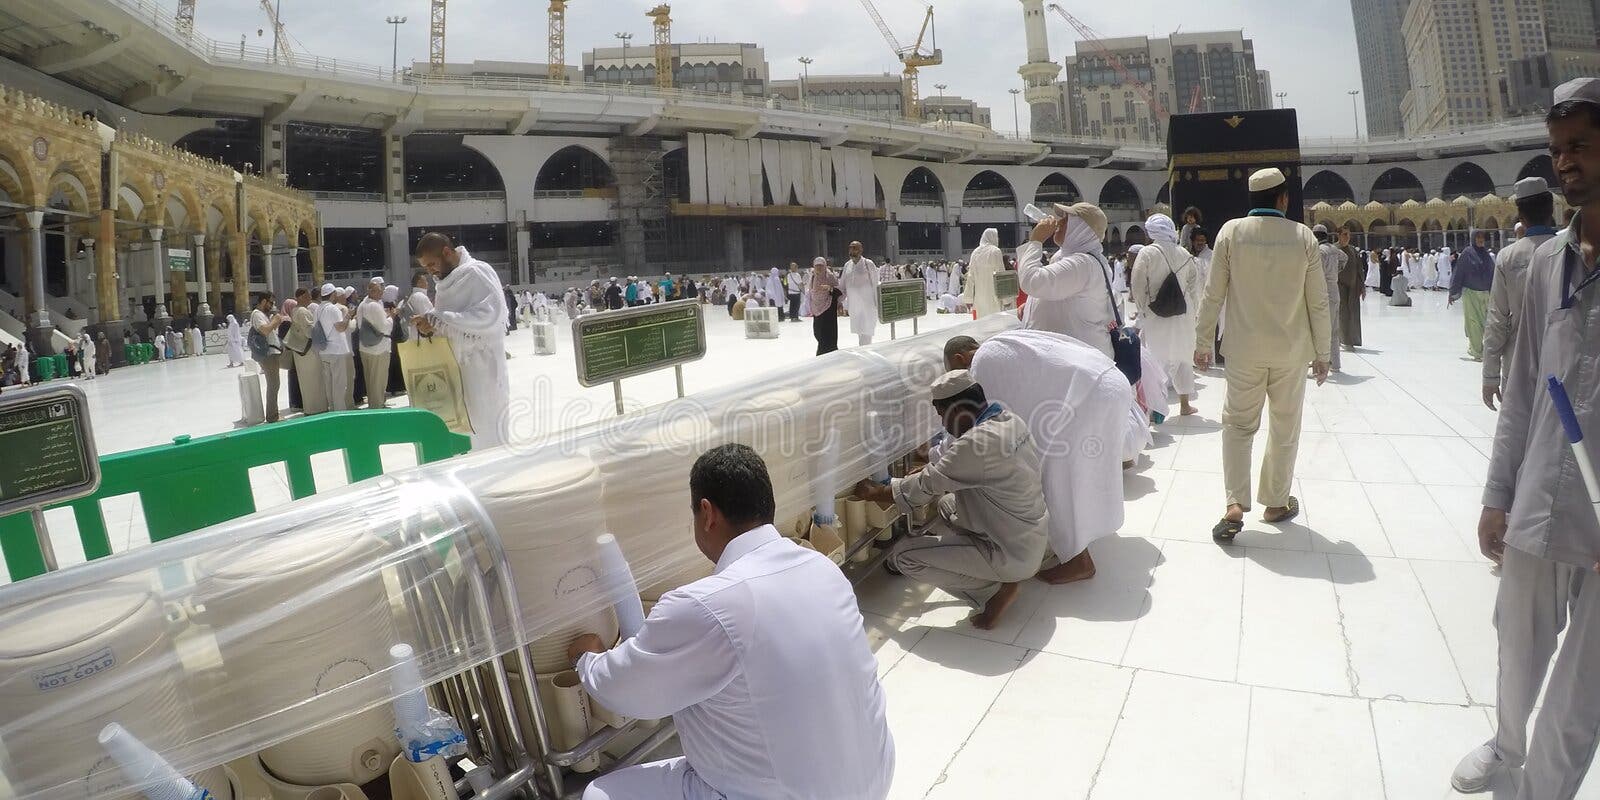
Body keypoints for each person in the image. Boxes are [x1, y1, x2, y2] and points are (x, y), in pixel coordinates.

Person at [570, 443, 894, 800]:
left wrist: (587, 660)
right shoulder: (823, 568)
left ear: (706, 513)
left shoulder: (706, 605)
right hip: (873, 782)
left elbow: (629, 692)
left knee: (600, 793)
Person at [1451, 78, 1600, 800]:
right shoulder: (1545, 263)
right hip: (1541, 494)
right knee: (1517, 644)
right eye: (1557, 150)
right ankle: (1505, 746)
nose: (1566, 163)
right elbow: (1523, 391)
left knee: (1582, 689)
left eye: (1579, 147)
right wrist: (1496, 492)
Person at [1194, 167, 1331, 541]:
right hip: (1290, 351)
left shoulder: (1231, 233)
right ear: (1283, 198)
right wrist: (1323, 353)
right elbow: (1318, 302)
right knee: (1285, 427)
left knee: (1238, 426)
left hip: (1243, 350)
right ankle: (1274, 503)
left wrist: (1203, 342)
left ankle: (1235, 504)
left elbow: (1212, 294)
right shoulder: (1303, 236)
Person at [855, 370, 1048, 629]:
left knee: (903, 557)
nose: (944, 424)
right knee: (948, 506)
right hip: (1030, 537)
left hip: (1009, 552)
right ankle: (996, 571)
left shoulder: (977, 443)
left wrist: (873, 492)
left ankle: (991, 591)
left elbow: (924, 488)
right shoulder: (1009, 420)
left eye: (942, 415)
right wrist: (932, 466)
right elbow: (958, 460)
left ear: (957, 410)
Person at [953, 330, 1132, 583]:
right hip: (1110, 381)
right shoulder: (1002, 340)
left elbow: (986, 426)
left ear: (960, 359)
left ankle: (1079, 561)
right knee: (1087, 470)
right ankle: (1081, 537)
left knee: (1055, 478)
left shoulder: (981, 365)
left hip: (1091, 396)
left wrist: (944, 454)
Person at [413, 233, 511, 448]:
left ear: (446, 253)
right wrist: (430, 325)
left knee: (488, 426)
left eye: (432, 264)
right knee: (464, 432)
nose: (430, 272)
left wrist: (440, 320)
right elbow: (446, 323)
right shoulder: (445, 283)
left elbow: (491, 316)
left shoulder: (477, 272)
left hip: (483, 368)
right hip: (455, 370)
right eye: (426, 268)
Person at [1482, 177, 1559, 410]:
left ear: (1521, 216)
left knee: (1518, 438)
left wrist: (1490, 376)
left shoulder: (1507, 257)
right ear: (1551, 210)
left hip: (1518, 364)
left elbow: (1497, 320)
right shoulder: (1568, 250)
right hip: (1562, 361)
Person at [1017, 202, 1116, 359]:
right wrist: (1032, 305)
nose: (1059, 222)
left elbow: (1032, 281)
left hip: (1080, 360)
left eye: (1067, 219)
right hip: (1065, 357)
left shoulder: (1083, 263)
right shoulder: (1065, 257)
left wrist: (1035, 240)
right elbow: (1054, 289)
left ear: (1081, 229)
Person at [1131, 213, 1203, 415]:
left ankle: (1155, 409)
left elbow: (1137, 285)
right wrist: (1193, 311)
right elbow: (1193, 286)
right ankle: (1185, 405)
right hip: (1183, 313)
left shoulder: (1146, 253)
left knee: (1155, 360)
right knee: (1182, 357)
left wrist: (1144, 309)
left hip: (1156, 313)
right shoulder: (1184, 253)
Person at [1450, 230, 1497, 360]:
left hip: (1485, 294)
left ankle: (1475, 347)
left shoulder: (1486, 255)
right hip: (1471, 294)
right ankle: (1477, 351)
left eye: (1482, 237)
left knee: (1485, 323)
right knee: (1474, 323)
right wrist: (1453, 292)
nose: (1481, 240)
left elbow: (1493, 274)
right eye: (1478, 237)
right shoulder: (1467, 253)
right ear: (1473, 239)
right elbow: (1459, 272)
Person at [284, 287, 326, 416]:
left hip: (302, 352)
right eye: (307, 296)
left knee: (307, 381)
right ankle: (316, 408)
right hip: (309, 353)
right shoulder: (302, 311)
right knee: (314, 380)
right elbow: (309, 332)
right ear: (301, 297)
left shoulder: (296, 310)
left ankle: (310, 407)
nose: (309, 299)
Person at [357, 277, 397, 410]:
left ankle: (374, 405)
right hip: (379, 348)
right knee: (378, 380)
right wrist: (391, 317)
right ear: (372, 291)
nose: (381, 293)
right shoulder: (374, 305)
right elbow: (385, 328)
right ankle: (378, 406)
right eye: (379, 290)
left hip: (365, 346)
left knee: (370, 379)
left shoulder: (362, 304)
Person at [317, 283, 356, 411]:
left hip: (324, 350)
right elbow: (341, 327)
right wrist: (348, 316)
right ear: (332, 294)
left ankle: (332, 410)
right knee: (339, 384)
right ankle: (340, 412)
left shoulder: (318, 309)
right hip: (336, 350)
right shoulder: (332, 309)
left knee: (329, 384)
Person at [1313, 225, 1347, 373]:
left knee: (1319, 330)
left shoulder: (1320, 251)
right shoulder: (1334, 249)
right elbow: (1344, 258)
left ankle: (1318, 366)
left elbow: (1316, 273)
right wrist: (1337, 272)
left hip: (1323, 292)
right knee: (1333, 330)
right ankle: (1336, 364)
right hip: (1334, 290)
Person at [249, 293, 286, 423]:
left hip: (272, 353)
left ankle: (273, 413)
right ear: (263, 301)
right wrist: (275, 320)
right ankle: (272, 416)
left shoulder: (262, 315)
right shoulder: (257, 314)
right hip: (268, 355)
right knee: (273, 384)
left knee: (274, 384)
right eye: (270, 303)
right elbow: (264, 330)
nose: (272, 306)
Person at [840, 241, 880, 347]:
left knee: (866, 334)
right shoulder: (847, 265)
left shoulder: (868, 264)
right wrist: (839, 302)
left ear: (861, 250)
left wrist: (878, 305)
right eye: (851, 248)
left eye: (855, 248)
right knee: (859, 332)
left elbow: (876, 284)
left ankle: (865, 356)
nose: (852, 251)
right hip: (854, 306)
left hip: (868, 306)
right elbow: (842, 286)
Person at [961, 228, 1007, 318]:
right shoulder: (995, 251)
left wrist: (968, 298)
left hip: (980, 297)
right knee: (995, 322)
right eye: (997, 237)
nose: (998, 239)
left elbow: (970, 277)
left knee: (982, 322)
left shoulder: (975, 252)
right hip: (994, 295)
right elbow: (1001, 276)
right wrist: (1006, 299)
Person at [1336, 228, 1365, 349]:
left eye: (1349, 234)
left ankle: (1351, 339)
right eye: (1345, 234)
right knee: (1342, 313)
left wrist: (1362, 287)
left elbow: (1359, 269)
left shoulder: (1353, 250)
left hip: (1353, 287)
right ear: (1339, 235)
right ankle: (1343, 340)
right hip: (1339, 286)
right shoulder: (1334, 249)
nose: (1347, 236)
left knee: (1353, 313)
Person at [807, 256, 841, 356]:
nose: (819, 268)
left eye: (821, 266)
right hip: (816, 308)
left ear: (825, 266)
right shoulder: (812, 276)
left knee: (827, 333)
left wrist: (829, 288)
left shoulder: (829, 276)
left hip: (828, 307)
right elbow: (810, 292)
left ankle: (826, 353)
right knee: (817, 332)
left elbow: (839, 290)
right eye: (817, 266)